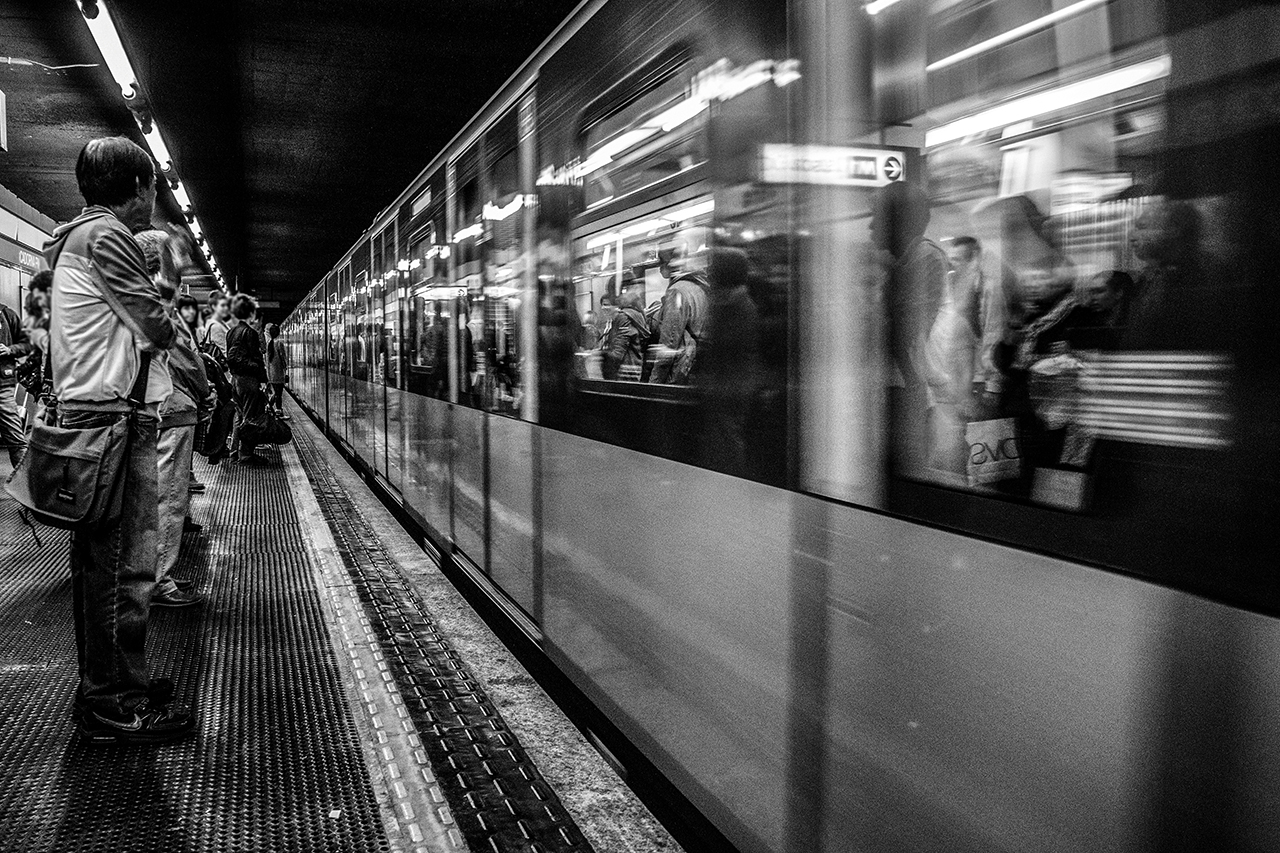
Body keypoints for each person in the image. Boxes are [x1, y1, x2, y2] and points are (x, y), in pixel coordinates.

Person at [44, 136, 192, 743]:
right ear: (137, 189)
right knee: (122, 571)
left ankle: (112, 685)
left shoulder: (78, 237)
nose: (154, 197)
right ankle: (112, 704)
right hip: (110, 421)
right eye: (153, 186)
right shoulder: (107, 238)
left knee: (104, 567)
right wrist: (169, 292)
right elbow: (157, 325)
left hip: (96, 415)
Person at [135, 229, 208, 609]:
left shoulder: (133, 299)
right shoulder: (157, 306)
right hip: (172, 409)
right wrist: (207, 390)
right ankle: (158, 581)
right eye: (173, 259)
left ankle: (151, 574)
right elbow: (184, 358)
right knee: (168, 499)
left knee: (154, 498)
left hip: (156, 410)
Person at [870, 180, 948, 472]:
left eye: (876, 218)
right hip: (894, 386)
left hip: (907, 388)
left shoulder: (926, 257)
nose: (871, 227)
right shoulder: (897, 263)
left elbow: (904, 329)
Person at [648, 240, 709, 385]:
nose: (659, 267)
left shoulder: (676, 291)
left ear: (670, 262)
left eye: (661, 261)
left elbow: (668, 344)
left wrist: (653, 385)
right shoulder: (699, 287)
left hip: (677, 376)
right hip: (695, 371)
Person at [225, 293, 268, 464]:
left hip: (235, 379)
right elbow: (256, 358)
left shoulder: (231, 332)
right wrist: (262, 377)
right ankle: (246, 454)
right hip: (248, 380)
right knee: (251, 417)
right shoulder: (249, 333)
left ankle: (234, 451)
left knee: (239, 415)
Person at [0, 286, 34, 468]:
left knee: (15, 439)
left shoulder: (6, 314)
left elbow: (28, 343)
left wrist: (10, 350)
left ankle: (24, 487)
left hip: (2, 387)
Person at [601, 276, 649, 381]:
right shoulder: (638, 313)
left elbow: (618, 353)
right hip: (635, 372)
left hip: (623, 375)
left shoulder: (624, 316)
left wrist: (599, 356)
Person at [265, 322, 289, 418]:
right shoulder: (279, 343)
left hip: (271, 373)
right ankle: (278, 411)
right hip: (279, 373)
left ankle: (269, 407)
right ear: (278, 333)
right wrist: (285, 369)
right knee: (278, 394)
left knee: (276, 393)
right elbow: (283, 359)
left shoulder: (269, 344)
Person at [201, 291, 232, 357]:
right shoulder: (216, 326)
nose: (226, 308)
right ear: (214, 306)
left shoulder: (213, 322)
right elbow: (225, 351)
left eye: (227, 305)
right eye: (223, 305)